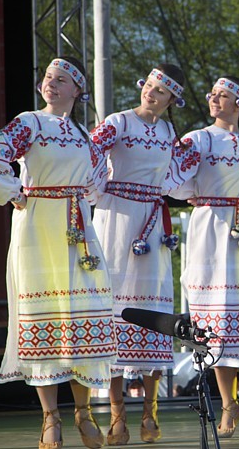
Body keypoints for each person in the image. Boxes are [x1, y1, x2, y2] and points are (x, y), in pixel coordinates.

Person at [0, 57, 114, 449]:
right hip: (38, 225)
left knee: (82, 313)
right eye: (48, 78)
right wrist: (13, 192)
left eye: (61, 80)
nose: (51, 84)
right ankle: (50, 417)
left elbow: (96, 185)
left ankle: (84, 412)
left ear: (77, 91)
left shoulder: (84, 137)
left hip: (77, 229)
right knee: (44, 314)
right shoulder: (30, 122)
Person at [90, 64, 199, 444]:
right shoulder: (119, 122)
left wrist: (192, 191)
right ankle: (118, 417)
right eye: (148, 87)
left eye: (159, 91)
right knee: (116, 306)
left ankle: (150, 413)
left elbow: (184, 172)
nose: (150, 94)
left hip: (152, 223)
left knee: (153, 310)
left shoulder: (171, 133)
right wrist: (97, 189)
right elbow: (88, 150)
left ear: (171, 100)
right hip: (116, 216)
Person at [168, 77, 239, 438]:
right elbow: (173, 181)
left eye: (223, 95)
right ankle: (228, 404)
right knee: (216, 322)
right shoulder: (199, 138)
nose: (214, 98)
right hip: (210, 228)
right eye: (211, 93)